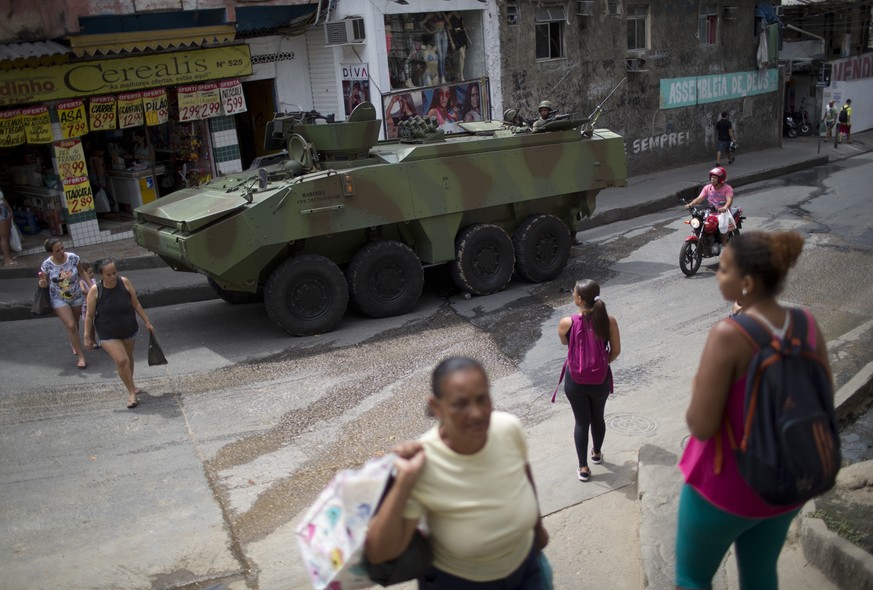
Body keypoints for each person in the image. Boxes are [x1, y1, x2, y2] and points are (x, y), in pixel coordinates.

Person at [675, 231, 830, 589]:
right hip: (786, 485)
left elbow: (700, 425)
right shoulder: (807, 323)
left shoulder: (728, 335)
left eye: (723, 269)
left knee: (692, 577)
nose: (717, 275)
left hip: (724, 487)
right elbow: (821, 400)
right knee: (761, 576)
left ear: (746, 283)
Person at [365, 357, 550, 589]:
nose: (476, 413)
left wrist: (537, 527)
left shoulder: (508, 428)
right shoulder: (422, 463)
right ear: (437, 407)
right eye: (461, 404)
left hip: (526, 568)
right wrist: (403, 483)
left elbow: (523, 472)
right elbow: (379, 553)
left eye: (482, 399)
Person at [557, 280, 621, 482]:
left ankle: (583, 468)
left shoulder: (566, 322)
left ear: (579, 299)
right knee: (598, 417)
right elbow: (616, 350)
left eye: (573, 293)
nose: (572, 295)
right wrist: (601, 366)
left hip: (574, 380)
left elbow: (566, 343)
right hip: (599, 379)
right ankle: (596, 453)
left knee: (581, 422)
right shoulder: (608, 320)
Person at [84, 258, 155, 409]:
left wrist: (147, 321)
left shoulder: (125, 283)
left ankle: (132, 384)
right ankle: (131, 393)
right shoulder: (95, 290)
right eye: (108, 274)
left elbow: (135, 303)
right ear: (101, 275)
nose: (112, 277)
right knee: (122, 361)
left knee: (128, 359)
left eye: (114, 273)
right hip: (107, 332)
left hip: (128, 328)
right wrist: (87, 336)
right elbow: (89, 315)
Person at [39, 238, 89, 369]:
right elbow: (43, 280)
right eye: (57, 250)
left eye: (62, 248)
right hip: (58, 298)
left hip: (76, 295)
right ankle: (81, 356)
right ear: (51, 253)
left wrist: (91, 287)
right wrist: (42, 283)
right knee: (71, 326)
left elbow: (82, 272)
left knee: (76, 324)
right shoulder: (47, 265)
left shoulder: (72, 258)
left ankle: (74, 343)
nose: (61, 251)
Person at [685, 166, 734, 245]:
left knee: (722, 227)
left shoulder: (727, 188)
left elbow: (729, 200)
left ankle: (725, 246)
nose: (712, 179)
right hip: (710, 212)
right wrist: (690, 204)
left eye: (715, 178)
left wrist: (725, 207)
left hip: (722, 213)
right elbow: (699, 199)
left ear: (721, 179)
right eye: (712, 177)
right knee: (700, 223)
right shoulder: (707, 188)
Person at [0, 187, 16, 266]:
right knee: (3, 236)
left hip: (4, 209)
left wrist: (10, 210)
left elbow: (3, 199)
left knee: (8, 234)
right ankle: (7, 259)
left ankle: (8, 256)